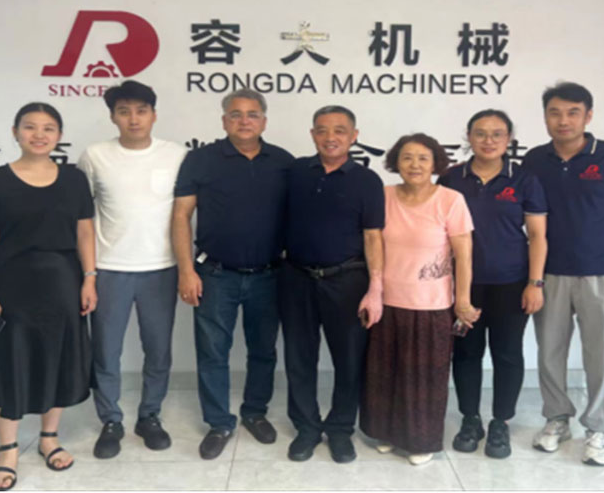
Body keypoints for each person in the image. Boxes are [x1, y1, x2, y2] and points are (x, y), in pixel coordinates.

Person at [0, 102, 96, 491]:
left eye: (48, 128)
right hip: (11, 288)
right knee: (7, 362)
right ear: (15, 132)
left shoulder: (74, 179)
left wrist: (89, 279)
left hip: (63, 284)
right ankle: (8, 450)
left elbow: (85, 232)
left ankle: (48, 438)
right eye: (30, 127)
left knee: (57, 359)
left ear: (59, 135)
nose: (39, 134)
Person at [521, 82, 604, 466]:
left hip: (603, 272)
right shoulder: (534, 160)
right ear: (545, 117)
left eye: (573, 112)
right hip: (549, 273)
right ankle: (557, 419)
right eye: (555, 113)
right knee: (549, 353)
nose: (563, 120)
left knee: (602, 356)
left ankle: (598, 428)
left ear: (588, 116)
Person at [171, 88, 294, 460]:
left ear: (264, 121)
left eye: (252, 114)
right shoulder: (201, 159)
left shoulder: (283, 162)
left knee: (263, 350)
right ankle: (219, 422)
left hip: (269, 275)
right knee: (212, 352)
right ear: (224, 120)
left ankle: (254, 412)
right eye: (236, 114)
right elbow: (181, 216)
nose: (244, 121)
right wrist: (186, 270)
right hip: (215, 274)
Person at [77, 81, 187, 459]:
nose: (133, 119)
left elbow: (185, 213)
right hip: (109, 269)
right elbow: (82, 219)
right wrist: (88, 274)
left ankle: (149, 416)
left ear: (154, 115)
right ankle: (111, 420)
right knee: (106, 352)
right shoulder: (95, 156)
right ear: (113, 117)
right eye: (124, 112)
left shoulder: (176, 155)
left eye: (141, 110)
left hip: (161, 269)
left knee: (158, 351)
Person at [438, 110, 547, 459]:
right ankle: (470, 419)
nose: (488, 140)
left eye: (497, 134)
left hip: (511, 282)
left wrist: (535, 283)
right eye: (481, 133)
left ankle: (501, 422)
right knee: (466, 353)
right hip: (462, 285)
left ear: (509, 140)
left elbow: (538, 236)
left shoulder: (524, 180)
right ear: (468, 137)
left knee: (507, 352)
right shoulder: (451, 178)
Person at [359, 133, 473, 466]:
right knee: (385, 371)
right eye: (407, 157)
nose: (415, 165)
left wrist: (462, 301)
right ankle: (386, 433)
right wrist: (375, 289)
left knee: (424, 377)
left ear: (436, 163)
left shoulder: (450, 200)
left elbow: (464, 256)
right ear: (396, 162)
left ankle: (421, 440)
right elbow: (372, 242)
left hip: (431, 304)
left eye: (423, 158)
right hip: (387, 301)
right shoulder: (383, 196)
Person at [280, 106, 385, 464]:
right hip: (296, 277)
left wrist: (375, 288)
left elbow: (373, 236)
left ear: (354, 136)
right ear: (312, 134)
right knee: (298, 357)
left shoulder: (367, 181)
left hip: (348, 280)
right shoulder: (296, 172)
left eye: (340, 130)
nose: (330, 137)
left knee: (349, 360)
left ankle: (340, 429)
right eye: (322, 130)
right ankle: (307, 428)